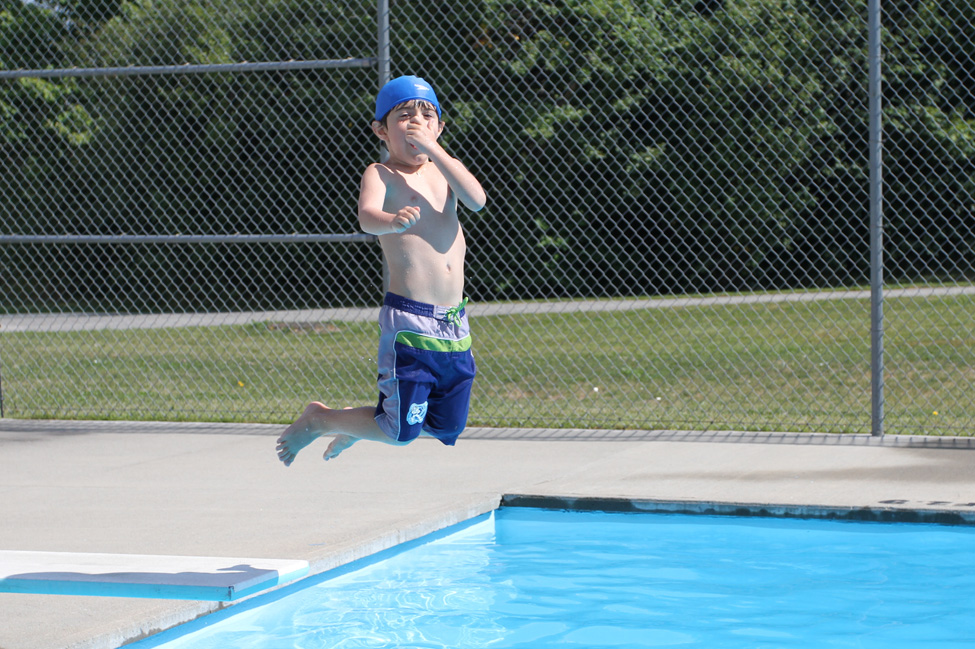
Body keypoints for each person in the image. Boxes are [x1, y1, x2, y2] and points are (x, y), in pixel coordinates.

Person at [276, 75, 486, 465]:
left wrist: (436, 151)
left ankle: (362, 427)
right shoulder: (381, 173)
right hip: (410, 321)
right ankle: (320, 420)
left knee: (446, 425)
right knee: (401, 432)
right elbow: (366, 217)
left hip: (455, 323)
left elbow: (476, 200)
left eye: (427, 115)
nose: (417, 122)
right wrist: (390, 221)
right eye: (405, 115)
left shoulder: (446, 171)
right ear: (381, 130)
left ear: (439, 127)